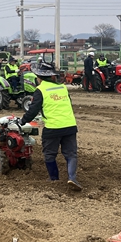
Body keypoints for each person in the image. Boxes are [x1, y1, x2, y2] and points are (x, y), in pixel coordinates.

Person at [20, 62, 81, 191]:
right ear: (53, 76)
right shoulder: (63, 88)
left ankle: (54, 179)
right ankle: (72, 178)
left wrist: (22, 121)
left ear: (39, 78)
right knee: (71, 154)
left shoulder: (40, 90)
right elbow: (68, 104)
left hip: (53, 128)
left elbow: (33, 110)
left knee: (49, 154)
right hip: (70, 125)